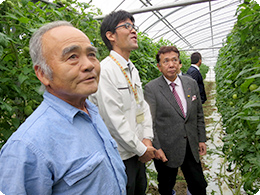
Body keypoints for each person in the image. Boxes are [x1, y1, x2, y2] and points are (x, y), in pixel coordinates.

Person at [0, 21, 127, 195]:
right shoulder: (26, 147)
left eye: (91, 54)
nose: (89, 65)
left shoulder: (90, 111)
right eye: (72, 57)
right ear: (43, 74)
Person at [89, 10, 155, 195]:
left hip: (138, 152)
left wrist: (147, 138)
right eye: (126, 26)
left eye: (133, 26)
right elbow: (113, 120)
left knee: (139, 189)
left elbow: (143, 106)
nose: (133, 30)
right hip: (120, 156)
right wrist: (142, 149)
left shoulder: (132, 69)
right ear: (111, 36)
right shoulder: (105, 71)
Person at [144, 46, 207, 195]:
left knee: (199, 185)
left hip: (190, 145)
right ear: (159, 67)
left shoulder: (190, 83)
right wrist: (157, 147)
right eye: (166, 61)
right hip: (166, 150)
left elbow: (198, 113)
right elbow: (149, 122)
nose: (171, 64)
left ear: (180, 64)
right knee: (166, 186)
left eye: (174, 60)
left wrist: (201, 139)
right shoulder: (152, 88)